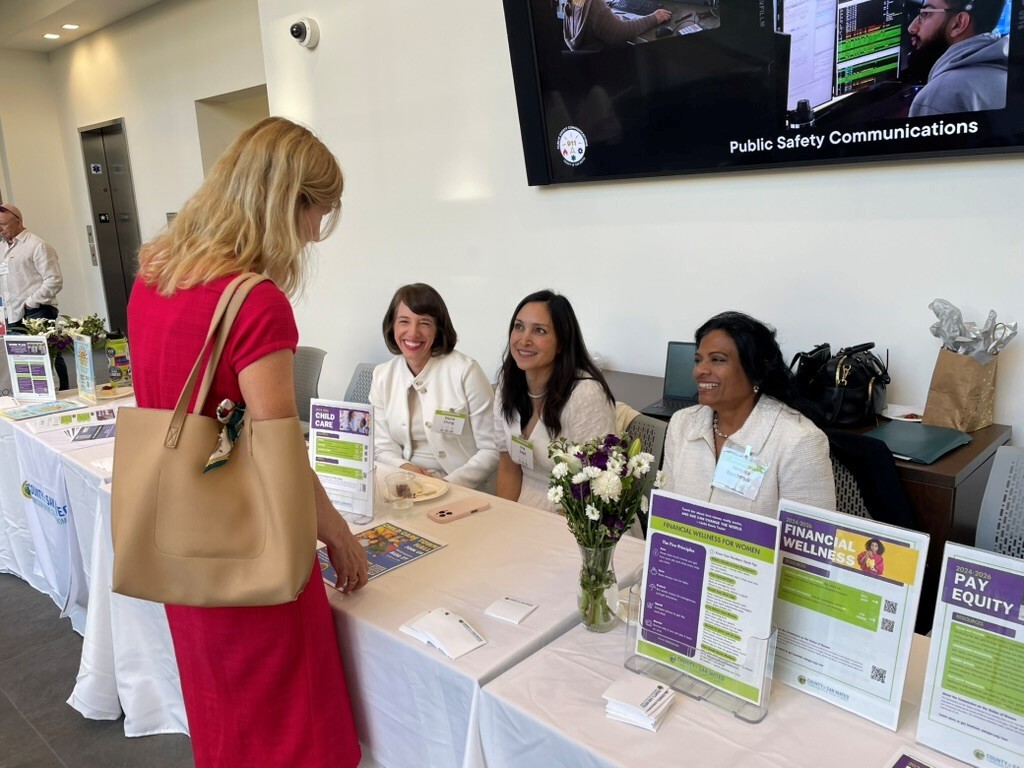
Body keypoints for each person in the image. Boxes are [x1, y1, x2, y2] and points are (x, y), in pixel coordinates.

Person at [127, 117, 367, 768]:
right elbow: (277, 451)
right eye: (320, 212)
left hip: (179, 535)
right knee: (290, 730)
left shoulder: (154, 275)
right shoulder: (254, 302)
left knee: (221, 716)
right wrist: (336, 531)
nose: (316, 232)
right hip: (248, 548)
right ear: (288, 202)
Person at [661, 311, 836, 518]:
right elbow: (666, 514)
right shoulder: (682, 423)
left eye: (717, 360)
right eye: (698, 360)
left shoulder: (799, 441)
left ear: (756, 371)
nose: (700, 370)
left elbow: (808, 535)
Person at [494, 290, 616, 513]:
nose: (524, 339)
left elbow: (597, 488)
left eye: (539, 330)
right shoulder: (507, 384)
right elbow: (509, 468)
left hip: (576, 516)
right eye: (519, 327)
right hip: (523, 508)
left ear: (562, 342)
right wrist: (503, 518)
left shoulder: (586, 394)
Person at [370, 283, 498, 490]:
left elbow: (492, 448)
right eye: (404, 321)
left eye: (424, 323)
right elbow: (381, 445)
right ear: (392, 326)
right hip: (404, 481)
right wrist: (404, 468)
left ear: (438, 329)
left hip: (462, 486)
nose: (413, 332)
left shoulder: (466, 371)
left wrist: (447, 484)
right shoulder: (382, 375)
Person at [0, 203, 69, 389]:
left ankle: (63, 391)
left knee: (49, 354)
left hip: (37, 310)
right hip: (12, 312)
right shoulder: (2, 248)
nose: (0, 229)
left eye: (3, 224)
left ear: (19, 222)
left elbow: (54, 280)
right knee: (23, 357)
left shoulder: (37, 245)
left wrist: (31, 302)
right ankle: (35, 393)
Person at [907, 0, 1008, 117]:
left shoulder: (939, 94)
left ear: (959, 24)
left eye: (925, 14)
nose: (911, 28)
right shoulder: (1007, 75)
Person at [563, 0, 672, 51]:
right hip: (604, 69)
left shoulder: (573, 2)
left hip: (586, 66)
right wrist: (655, 17)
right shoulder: (594, 5)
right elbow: (621, 33)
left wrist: (608, 17)